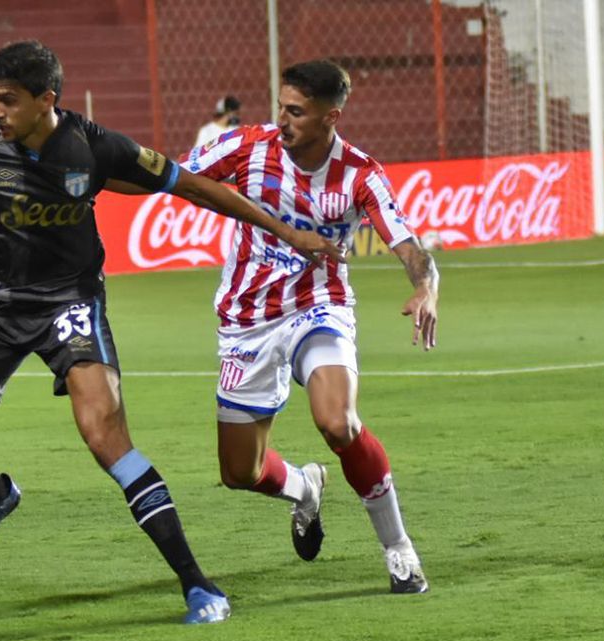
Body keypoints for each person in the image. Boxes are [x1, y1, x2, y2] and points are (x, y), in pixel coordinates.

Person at [0, 41, 342, 623]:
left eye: (8, 101)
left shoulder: (95, 146)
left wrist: (288, 232)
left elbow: (193, 187)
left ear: (47, 100)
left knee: (105, 438)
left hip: (70, 304)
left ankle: (198, 585)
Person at [179, 60, 438, 593]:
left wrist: (425, 287)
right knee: (239, 473)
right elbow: (174, 177)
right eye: (281, 107)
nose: (283, 119)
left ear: (330, 116)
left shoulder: (360, 174)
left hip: (319, 306)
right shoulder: (249, 147)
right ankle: (304, 488)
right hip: (247, 319)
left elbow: (410, 245)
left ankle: (398, 549)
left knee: (338, 421)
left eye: (296, 111)